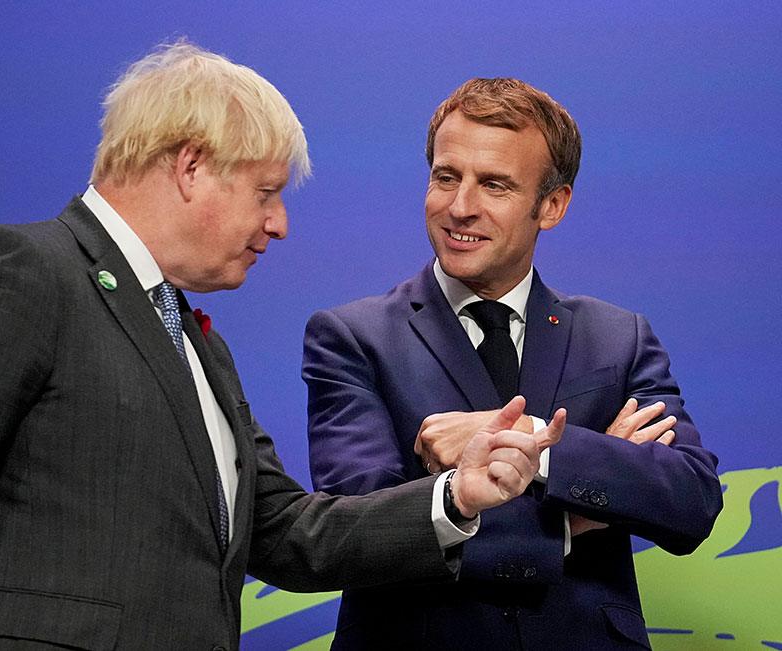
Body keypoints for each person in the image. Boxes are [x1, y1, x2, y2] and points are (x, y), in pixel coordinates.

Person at [0, 46, 561, 651]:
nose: (278, 224)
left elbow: (285, 531)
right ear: (191, 167)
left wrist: (457, 496)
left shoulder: (189, 335)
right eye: (267, 192)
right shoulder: (26, 271)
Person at [302, 77, 723, 650]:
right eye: (446, 177)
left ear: (551, 205)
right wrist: (577, 514)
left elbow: (691, 501)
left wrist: (537, 445)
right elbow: (363, 533)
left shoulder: (617, 337)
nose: (460, 207)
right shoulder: (352, 337)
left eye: (494, 185)